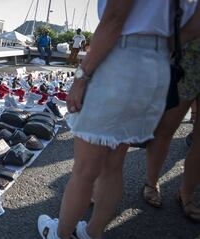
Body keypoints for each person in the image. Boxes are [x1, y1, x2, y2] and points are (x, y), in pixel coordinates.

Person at [37, 1, 200, 239]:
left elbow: (114, 17)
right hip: (155, 67)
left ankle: (60, 234)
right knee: (114, 164)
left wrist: (82, 76)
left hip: (120, 60)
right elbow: (195, 25)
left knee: (85, 168)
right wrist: (158, 46)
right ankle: (92, 233)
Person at [143, 39, 200, 222]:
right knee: (165, 130)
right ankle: (151, 183)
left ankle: (187, 193)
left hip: (186, 59)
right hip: (187, 61)